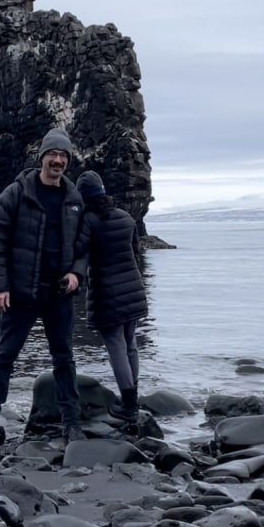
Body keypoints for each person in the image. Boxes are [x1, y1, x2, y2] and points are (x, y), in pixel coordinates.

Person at [0, 128, 89, 442]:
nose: (58, 160)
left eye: (63, 155)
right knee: (4, 356)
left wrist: (77, 274)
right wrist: (0, 286)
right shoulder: (16, 193)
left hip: (59, 294)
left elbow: (83, 246)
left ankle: (72, 424)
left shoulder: (74, 199)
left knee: (64, 359)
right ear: (41, 158)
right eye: (52, 154)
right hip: (22, 293)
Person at [75, 170, 147, 428]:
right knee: (130, 344)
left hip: (107, 292)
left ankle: (128, 405)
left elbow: (78, 250)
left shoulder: (89, 221)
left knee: (115, 346)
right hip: (134, 288)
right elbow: (136, 252)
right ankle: (133, 397)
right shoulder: (127, 218)